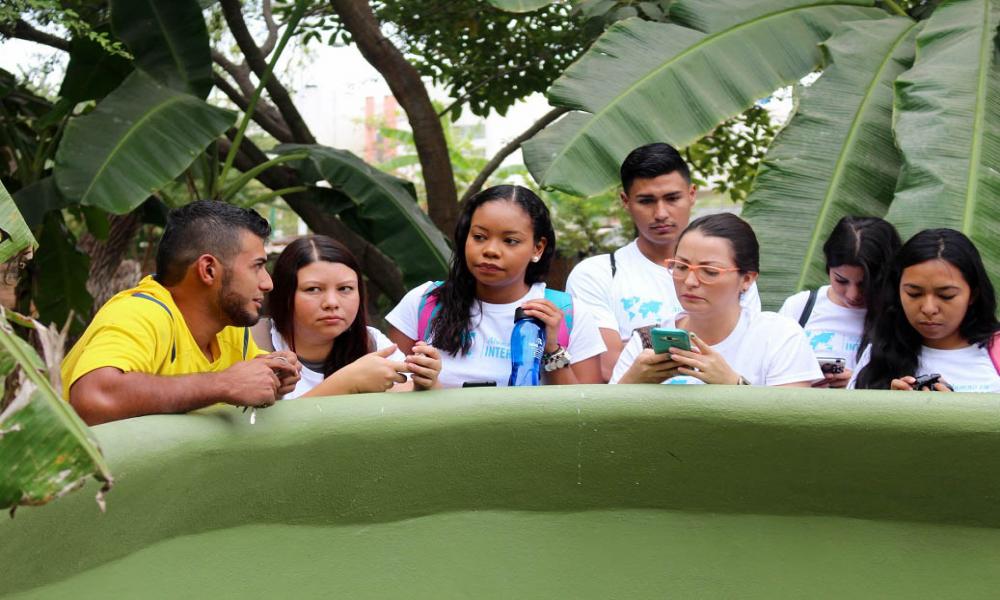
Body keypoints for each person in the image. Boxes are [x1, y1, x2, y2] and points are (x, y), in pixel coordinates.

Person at [61, 201, 301, 425]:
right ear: (208, 270)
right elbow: (93, 398)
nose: (268, 283)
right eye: (257, 266)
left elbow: (243, 384)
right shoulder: (138, 313)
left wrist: (274, 376)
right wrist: (223, 383)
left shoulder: (230, 329)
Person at [566, 142, 760, 381]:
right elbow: (606, 368)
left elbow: (749, 354)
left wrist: (639, 348)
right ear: (625, 201)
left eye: (672, 198)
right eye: (646, 201)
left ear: (691, 194)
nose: (661, 213)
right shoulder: (595, 274)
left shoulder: (732, 274)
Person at [386, 184, 605, 387]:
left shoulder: (569, 314)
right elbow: (387, 389)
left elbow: (586, 415)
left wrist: (551, 349)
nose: (490, 250)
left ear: (537, 248)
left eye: (510, 241)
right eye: (479, 237)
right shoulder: (425, 302)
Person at [611, 213, 821, 387]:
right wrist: (631, 381)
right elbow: (605, 426)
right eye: (681, 267)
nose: (690, 281)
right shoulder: (646, 342)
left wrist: (734, 385)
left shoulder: (778, 337)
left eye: (709, 271)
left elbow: (792, 429)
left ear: (747, 279)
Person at [253, 235, 442, 398]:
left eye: (345, 289)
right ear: (284, 294)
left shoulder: (371, 342)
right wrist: (348, 383)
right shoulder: (252, 342)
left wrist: (425, 383)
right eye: (313, 289)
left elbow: (415, 401)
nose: (332, 302)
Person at [851, 229, 1000, 393]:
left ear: (973, 294)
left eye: (946, 295)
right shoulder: (880, 353)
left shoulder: (995, 351)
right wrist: (891, 407)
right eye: (914, 294)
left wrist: (954, 413)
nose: (929, 308)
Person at [778, 216, 901, 388]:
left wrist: (858, 382)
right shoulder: (800, 307)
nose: (853, 295)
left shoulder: (899, 315)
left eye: (865, 284)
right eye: (841, 281)